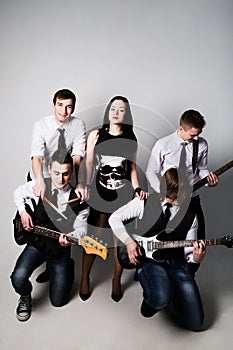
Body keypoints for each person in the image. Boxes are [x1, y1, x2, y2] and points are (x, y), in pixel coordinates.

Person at [109, 168, 206, 331]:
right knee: (159, 298)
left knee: (196, 323)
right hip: (150, 260)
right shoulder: (144, 201)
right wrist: (129, 242)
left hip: (176, 262)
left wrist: (197, 257)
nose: (179, 200)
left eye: (182, 195)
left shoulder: (191, 216)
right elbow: (114, 218)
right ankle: (153, 293)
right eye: (174, 197)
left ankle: (171, 289)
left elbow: (189, 254)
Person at [79, 95, 147, 302]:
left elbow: (132, 169)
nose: (116, 112)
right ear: (108, 111)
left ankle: (116, 280)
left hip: (122, 194)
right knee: (94, 237)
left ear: (126, 114)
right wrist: (84, 185)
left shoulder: (131, 139)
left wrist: (138, 189)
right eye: (113, 108)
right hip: (100, 194)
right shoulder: (96, 135)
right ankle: (84, 278)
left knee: (120, 240)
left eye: (121, 110)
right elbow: (89, 163)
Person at [11, 149, 89, 321]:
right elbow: (18, 193)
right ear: (49, 169)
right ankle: (25, 296)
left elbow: (82, 228)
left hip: (59, 252)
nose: (60, 179)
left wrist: (72, 235)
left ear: (71, 173)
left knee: (58, 301)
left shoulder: (79, 200)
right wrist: (23, 213)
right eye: (56, 173)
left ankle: (67, 267)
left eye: (65, 174)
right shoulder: (40, 186)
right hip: (37, 245)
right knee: (17, 278)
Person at [146, 109, 218, 236]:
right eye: (192, 135)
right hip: (170, 200)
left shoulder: (202, 144)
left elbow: (201, 169)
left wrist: (209, 181)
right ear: (181, 128)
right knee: (168, 239)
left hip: (191, 197)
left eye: (198, 134)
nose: (196, 138)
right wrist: (164, 194)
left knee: (198, 239)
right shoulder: (163, 144)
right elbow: (151, 172)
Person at [30, 88, 86, 199]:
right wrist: (39, 181)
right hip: (42, 175)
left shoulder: (79, 125)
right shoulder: (41, 125)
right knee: (35, 212)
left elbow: (77, 157)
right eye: (60, 105)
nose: (64, 111)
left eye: (68, 107)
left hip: (65, 177)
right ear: (53, 105)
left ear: (73, 109)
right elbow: (37, 157)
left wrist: (79, 183)